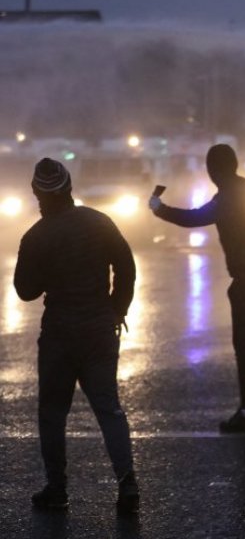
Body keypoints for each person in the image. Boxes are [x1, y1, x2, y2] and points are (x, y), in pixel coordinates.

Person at [15, 158, 139, 514]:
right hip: (100, 326)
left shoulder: (36, 236)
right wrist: (118, 308)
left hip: (59, 333)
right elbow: (126, 265)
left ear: (38, 194)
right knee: (108, 408)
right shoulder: (99, 222)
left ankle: (57, 489)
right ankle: (127, 482)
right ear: (70, 188)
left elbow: (25, 290)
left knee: (53, 412)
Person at [149, 144, 245, 433]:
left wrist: (160, 209)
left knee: (244, 342)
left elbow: (194, 218)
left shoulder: (227, 198)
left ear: (213, 170)